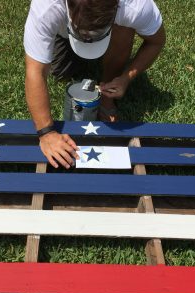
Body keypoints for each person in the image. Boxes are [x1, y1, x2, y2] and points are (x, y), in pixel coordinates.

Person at [24, 0, 166, 169]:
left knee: (125, 28)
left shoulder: (134, 6)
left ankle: (107, 96)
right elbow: (35, 71)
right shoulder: (46, 7)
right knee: (60, 72)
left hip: (116, 27)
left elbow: (156, 41)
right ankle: (72, 42)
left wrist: (125, 78)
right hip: (64, 32)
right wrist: (46, 133)